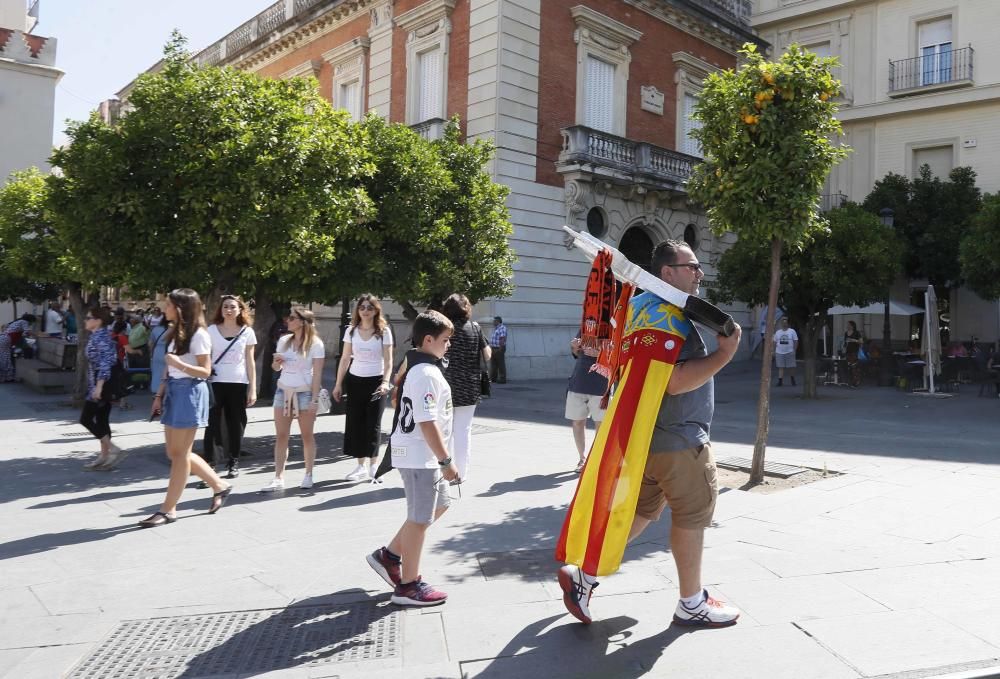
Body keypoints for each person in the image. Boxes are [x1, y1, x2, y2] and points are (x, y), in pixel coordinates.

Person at [558, 239, 743, 628]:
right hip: (678, 439)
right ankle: (691, 602)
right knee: (692, 516)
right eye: (691, 266)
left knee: (641, 511)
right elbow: (673, 382)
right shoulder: (669, 316)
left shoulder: (639, 308)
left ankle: (585, 575)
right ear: (667, 273)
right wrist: (725, 353)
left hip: (641, 438)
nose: (699, 273)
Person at [366, 310, 458, 606]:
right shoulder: (426, 373)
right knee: (419, 519)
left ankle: (390, 555)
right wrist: (445, 461)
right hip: (420, 456)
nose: (449, 345)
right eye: (446, 340)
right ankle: (408, 585)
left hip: (420, 454)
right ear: (428, 340)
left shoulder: (422, 368)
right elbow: (427, 421)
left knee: (440, 504)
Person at [141, 289, 231, 528]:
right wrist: (159, 394)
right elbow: (168, 368)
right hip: (173, 390)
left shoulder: (199, 334)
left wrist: (179, 363)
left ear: (181, 308)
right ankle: (220, 485)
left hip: (190, 392)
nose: (164, 307)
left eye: (169, 304)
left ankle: (168, 509)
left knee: (180, 455)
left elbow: (205, 371)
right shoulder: (174, 333)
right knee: (175, 453)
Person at [262, 306, 325, 491]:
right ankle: (278, 477)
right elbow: (276, 369)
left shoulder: (315, 344)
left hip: (305, 392)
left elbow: (317, 374)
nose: (287, 321)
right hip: (283, 391)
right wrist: (276, 363)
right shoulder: (284, 341)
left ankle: (308, 474)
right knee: (281, 435)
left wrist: (314, 400)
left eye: (291, 318)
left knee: (307, 435)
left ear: (302, 322)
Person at [333, 295, 394, 482]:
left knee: (373, 424)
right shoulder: (351, 331)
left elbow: (389, 361)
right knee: (355, 423)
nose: (365, 310)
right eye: (362, 307)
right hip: (355, 380)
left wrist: (385, 382)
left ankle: (374, 466)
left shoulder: (384, 331)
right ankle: (360, 466)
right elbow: (344, 359)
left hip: (376, 381)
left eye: (369, 307)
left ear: (376, 310)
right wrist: (337, 384)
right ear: (358, 310)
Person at [204, 295, 257, 479]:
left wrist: (253, 388)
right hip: (215, 383)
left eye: (233, 307)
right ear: (220, 309)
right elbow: (204, 355)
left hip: (238, 382)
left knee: (237, 424)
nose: (228, 310)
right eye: (225, 306)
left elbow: (250, 362)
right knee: (211, 424)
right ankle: (209, 464)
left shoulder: (247, 332)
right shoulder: (211, 330)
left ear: (240, 310)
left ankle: (233, 461)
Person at [441, 293, 491, 482]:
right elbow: (487, 356)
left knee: (445, 430)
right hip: (469, 386)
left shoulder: (444, 329)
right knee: (463, 431)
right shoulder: (475, 328)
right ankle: (460, 473)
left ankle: (444, 472)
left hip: (445, 384)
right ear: (467, 308)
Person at [79, 306, 127, 470]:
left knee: (85, 419)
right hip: (97, 383)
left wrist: (98, 387)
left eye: (88, 317)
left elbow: (106, 363)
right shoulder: (97, 336)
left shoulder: (101, 337)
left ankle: (113, 449)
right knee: (101, 419)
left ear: (98, 321)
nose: (85, 320)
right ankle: (105, 456)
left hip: (100, 384)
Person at [566, 334, 608, 472]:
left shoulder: (614, 324)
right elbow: (577, 353)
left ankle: (595, 459)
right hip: (579, 381)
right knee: (577, 422)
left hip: (601, 384)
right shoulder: (586, 323)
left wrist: (601, 353)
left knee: (601, 425)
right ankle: (582, 458)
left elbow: (622, 352)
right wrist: (574, 347)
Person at [0, 314, 35, 383]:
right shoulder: (24, 322)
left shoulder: (17, 322)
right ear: (30, 320)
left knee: (4, 358)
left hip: (3, 340)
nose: (32, 323)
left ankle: (6, 377)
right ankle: (8, 377)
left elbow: (24, 333)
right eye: (32, 321)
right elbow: (27, 331)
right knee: (6, 359)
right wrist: (38, 334)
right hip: (6, 341)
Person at [148, 314, 171, 395]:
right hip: (170, 352)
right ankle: (167, 390)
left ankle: (156, 391)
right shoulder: (174, 329)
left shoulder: (156, 329)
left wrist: (151, 354)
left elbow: (151, 344)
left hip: (157, 352)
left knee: (157, 373)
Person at [772, 317, 799, 387]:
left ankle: (792, 380)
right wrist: (774, 351)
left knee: (791, 367)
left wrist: (794, 350)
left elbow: (795, 341)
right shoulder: (778, 332)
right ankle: (780, 381)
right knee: (780, 367)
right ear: (781, 323)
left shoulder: (792, 331)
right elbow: (774, 342)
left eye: (785, 322)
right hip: (779, 352)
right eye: (783, 322)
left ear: (788, 323)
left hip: (790, 352)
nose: (784, 324)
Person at [843, 320, 863, 388]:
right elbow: (845, 342)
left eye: (849, 325)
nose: (847, 326)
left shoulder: (857, 333)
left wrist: (853, 340)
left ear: (852, 326)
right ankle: (850, 382)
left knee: (854, 367)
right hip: (848, 352)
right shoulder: (846, 333)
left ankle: (856, 382)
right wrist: (844, 346)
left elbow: (861, 342)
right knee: (849, 367)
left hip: (854, 352)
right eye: (847, 325)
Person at [489, 316, 508, 384]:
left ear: (498, 321)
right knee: (493, 364)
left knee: (500, 364)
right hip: (493, 348)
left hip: (499, 348)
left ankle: (502, 379)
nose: (493, 322)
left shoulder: (502, 328)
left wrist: (500, 349)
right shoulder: (496, 328)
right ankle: (493, 378)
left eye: (494, 321)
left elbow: (502, 338)